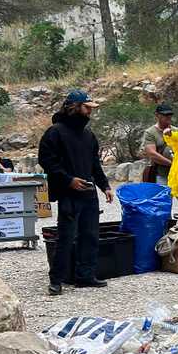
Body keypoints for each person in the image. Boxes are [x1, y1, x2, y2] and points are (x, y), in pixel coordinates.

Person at [38, 90, 113, 295]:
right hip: (68, 193)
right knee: (66, 236)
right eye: (87, 107)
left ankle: (85, 276)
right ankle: (56, 280)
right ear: (74, 107)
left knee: (90, 235)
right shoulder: (55, 132)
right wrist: (68, 180)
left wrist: (104, 186)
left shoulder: (89, 135)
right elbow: (46, 160)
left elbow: (94, 164)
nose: (90, 112)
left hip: (88, 193)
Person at [141, 103, 175, 184]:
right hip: (161, 174)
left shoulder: (177, 131)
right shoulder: (150, 132)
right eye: (165, 114)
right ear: (157, 115)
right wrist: (172, 164)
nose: (168, 116)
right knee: (162, 196)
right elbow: (152, 154)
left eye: (170, 114)